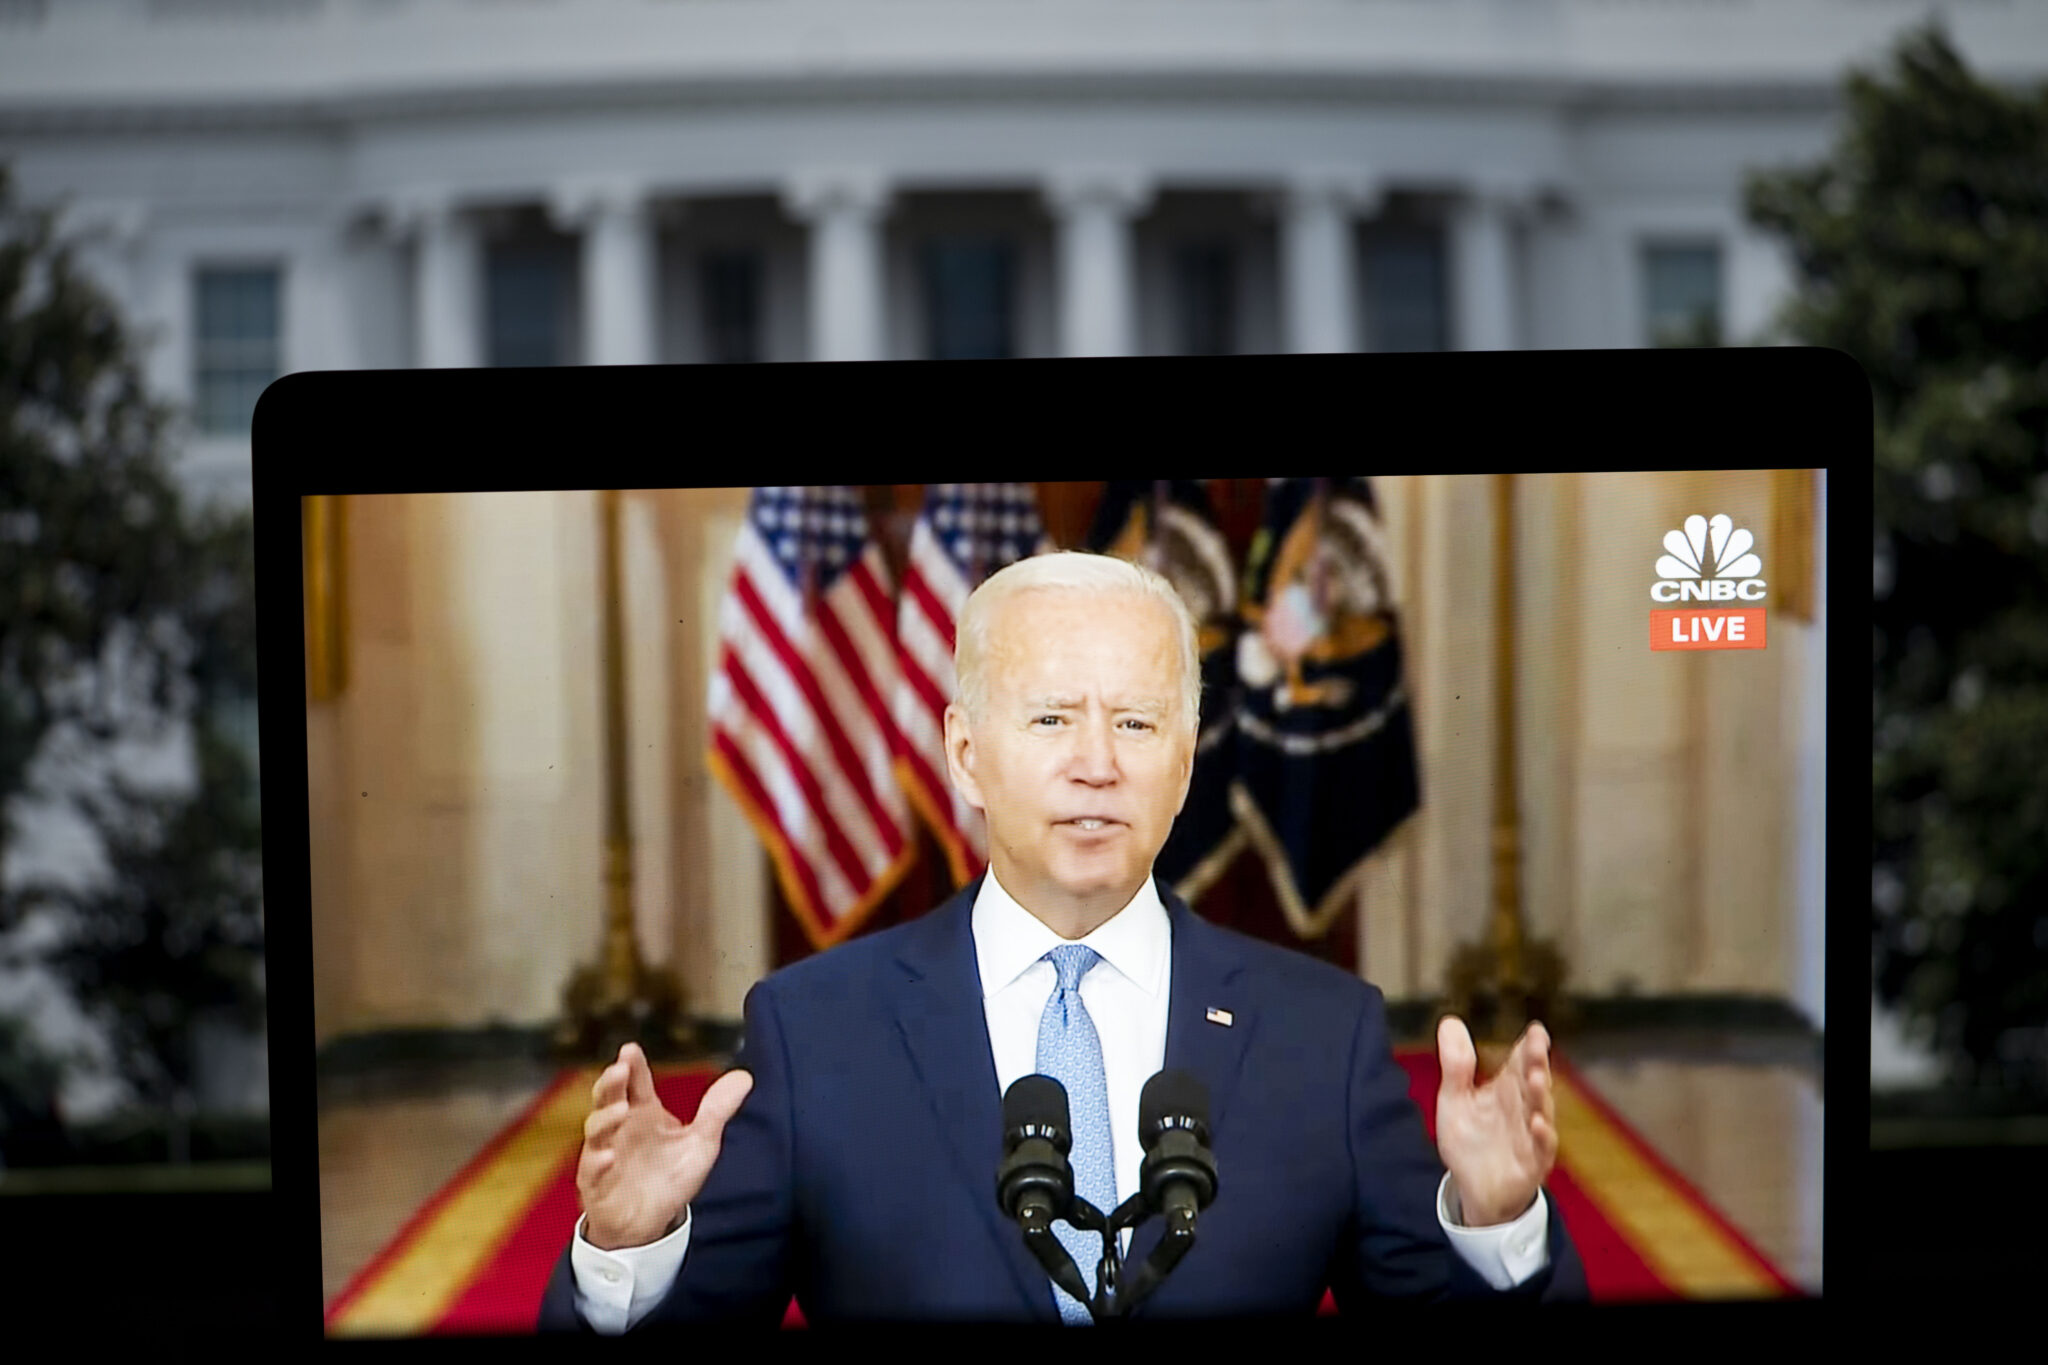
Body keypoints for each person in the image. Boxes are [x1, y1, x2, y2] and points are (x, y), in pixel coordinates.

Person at [539, 551, 1587, 1329]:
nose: (1096, 763)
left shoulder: (1324, 1033)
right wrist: (627, 1252)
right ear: (964, 751)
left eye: (1135, 723)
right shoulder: (815, 1031)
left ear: (1182, 763)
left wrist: (1494, 1225)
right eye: (1049, 721)